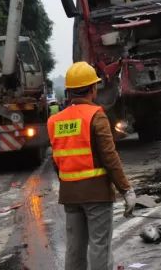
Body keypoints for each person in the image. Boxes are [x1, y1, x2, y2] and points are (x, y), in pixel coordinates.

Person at [47, 62, 136, 270]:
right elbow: (110, 157)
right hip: (96, 194)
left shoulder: (55, 121)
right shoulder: (95, 115)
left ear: (69, 91)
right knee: (99, 247)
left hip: (70, 195)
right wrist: (126, 189)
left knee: (75, 249)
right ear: (93, 89)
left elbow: (56, 161)